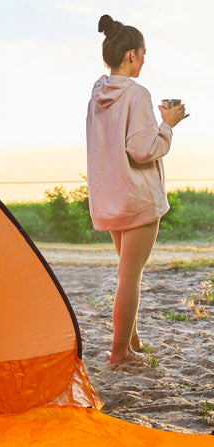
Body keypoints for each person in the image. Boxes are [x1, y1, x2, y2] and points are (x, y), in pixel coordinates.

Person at [86, 14, 188, 365]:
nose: (144, 59)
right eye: (143, 53)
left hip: (111, 198)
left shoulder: (97, 95)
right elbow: (143, 149)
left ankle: (132, 339)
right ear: (131, 54)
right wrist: (168, 125)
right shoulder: (137, 94)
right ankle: (120, 353)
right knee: (131, 275)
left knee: (125, 272)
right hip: (137, 197)